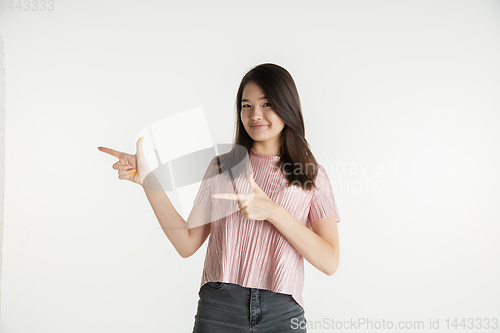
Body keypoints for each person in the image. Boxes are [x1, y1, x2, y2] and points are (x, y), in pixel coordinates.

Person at [98, 63, 341, 333]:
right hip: (219, 309)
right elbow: (186, 243)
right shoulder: (222, 167)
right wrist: (148, 181)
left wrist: (273, 211)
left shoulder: (311, 175)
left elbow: (330, 262)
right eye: (246, 105)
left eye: (267, 103)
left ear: (288, 106)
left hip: (282, 313)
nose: (255, 115)